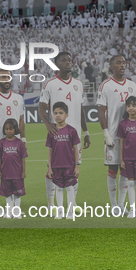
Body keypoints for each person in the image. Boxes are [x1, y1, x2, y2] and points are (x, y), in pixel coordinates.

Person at [39, 52, 91, 214]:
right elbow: (41, 107)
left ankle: (72, 203)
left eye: (69, 60)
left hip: (74, 136)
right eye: (64, 60)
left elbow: (80, 109)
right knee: (52, 169)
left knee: (75, 169)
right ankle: (50, 203)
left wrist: (86, 131)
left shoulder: (78, 84)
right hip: (57, 134)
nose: (68, 62)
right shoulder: (50, 84)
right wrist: (48, 124)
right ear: (57, 64)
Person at [97, 55, 136, 214]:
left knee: (126, 169)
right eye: (119, 63)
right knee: (113, 167)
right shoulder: (105, 85)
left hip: (130, 135)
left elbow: (135, 108)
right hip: (113, 134)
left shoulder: (131, 85)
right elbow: (101, 111)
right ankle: (114, 205)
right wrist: (106, 134)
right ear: (112, 66)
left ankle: (121, 204)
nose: (122, 66)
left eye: (124, 63)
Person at [0, 69, 26, 210]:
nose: (6, 80)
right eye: (3, 77)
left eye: (8, 77)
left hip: (16, 144)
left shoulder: (18, 98)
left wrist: (23, 140)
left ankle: (13, 207)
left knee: (15, 175)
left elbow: (21, 120)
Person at [45, 102, 80, 220]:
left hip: (69, 165)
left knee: (69, 188)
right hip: (56, 165)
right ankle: (60, 212)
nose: (58, 115)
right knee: (59, 188)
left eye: (61, 113)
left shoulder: (72, 130)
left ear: (67, 115)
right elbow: (50, 151)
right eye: (55, 113)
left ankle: (70, 212)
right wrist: (50, 167)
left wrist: (76, 166)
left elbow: (75, 149)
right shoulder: (51, 131)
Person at [0, 118, 28, 220]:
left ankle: (17, 211)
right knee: (7, 194)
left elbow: (23, 158)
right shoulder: (1, 142)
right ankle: (9, 211)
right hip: (5, 174)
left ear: (15, 129)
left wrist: (23, 171)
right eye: (6, 129)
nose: (8, 131)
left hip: (17, 174)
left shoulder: (19, 143)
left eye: (10, 128)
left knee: (17, 194)